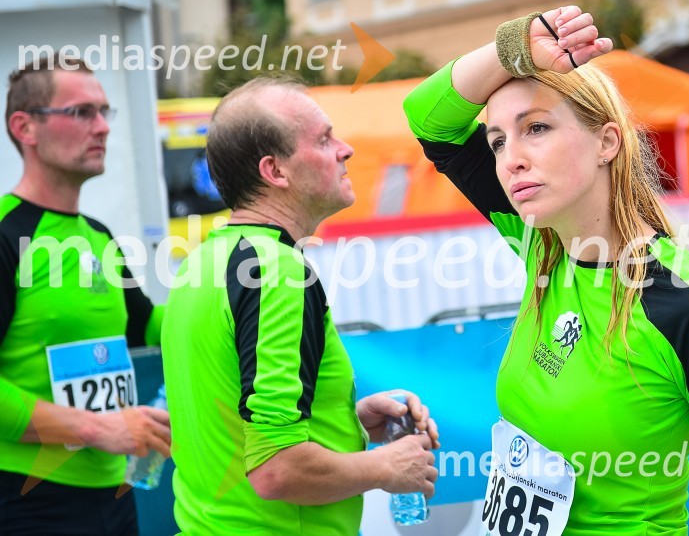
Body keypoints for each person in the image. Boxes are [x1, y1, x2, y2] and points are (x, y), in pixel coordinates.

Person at [403, 6, 689, 535]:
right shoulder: (541, 244)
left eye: (536, 128)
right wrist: (515, 47)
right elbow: (427, 118)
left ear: (606, 142)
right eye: (498, 141)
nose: (510, 159)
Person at [160, 76, 440, 535]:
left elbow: (238, 430)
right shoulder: (277, 270)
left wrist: (348, 423)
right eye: (324, 139)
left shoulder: (203, 261)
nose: (346, 149)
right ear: (275, 171)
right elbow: (276, 469)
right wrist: (386, 467)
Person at [0, 54, 170, 534]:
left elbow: (149, 326)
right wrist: (97, 428)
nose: (102, 127)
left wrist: (231, 303)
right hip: (27, 500)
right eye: (81, 112)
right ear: (25, 128)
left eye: (103, 111)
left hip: (115, 492)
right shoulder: (6, 234)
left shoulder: (98, 236)